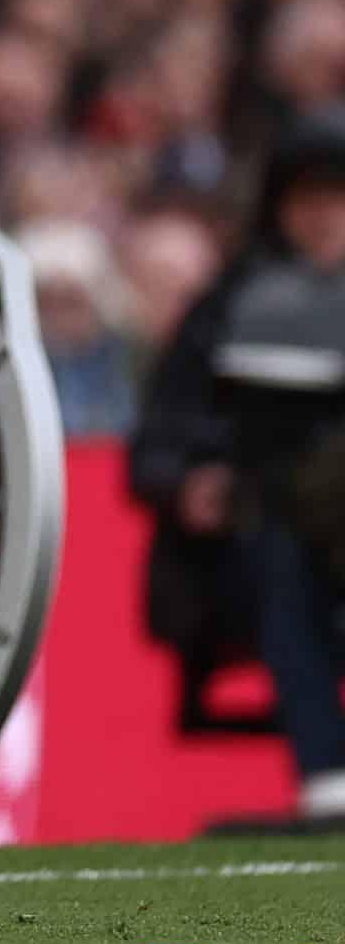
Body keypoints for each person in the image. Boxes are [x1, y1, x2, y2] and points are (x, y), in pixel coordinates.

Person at [133, 107, 345, 826]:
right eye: (309, 198)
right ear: (279, 208)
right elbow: (154, 446)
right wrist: (189, 484)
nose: (325, 217)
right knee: (282, 548)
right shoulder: (228, 308)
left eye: (339, 197)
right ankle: (327, 780)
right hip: (247, 552)